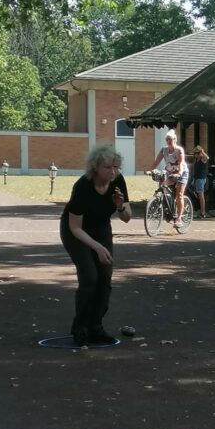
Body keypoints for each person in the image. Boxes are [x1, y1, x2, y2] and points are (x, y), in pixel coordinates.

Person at [59, 144, 131, 345]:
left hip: (101, 228)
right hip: (76, 231)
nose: (113, 171)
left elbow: (127, 217)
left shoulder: (118, 182)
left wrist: (119, 205)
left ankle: (96, 326)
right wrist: (97, 247)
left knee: (105, 278)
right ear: (96, 167)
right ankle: (80, 327)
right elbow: (75, 228)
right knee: (90, 277)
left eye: (115, 167)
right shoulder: (83, 186)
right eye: (108, 167)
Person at [150, 129, 188, 228]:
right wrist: (151, 170)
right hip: (170, 172)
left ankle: (179, 218)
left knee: (179, 194)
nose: (168, 141)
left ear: (174, 140)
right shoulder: (164, 150)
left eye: (170, 139)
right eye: (167, 139)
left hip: (181, 173)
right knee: (164, 189)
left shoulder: (179, 150)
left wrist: (179, 173)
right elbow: (156, 161)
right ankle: (169, 213)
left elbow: (180, 163)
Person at [191, 145, 210, 219]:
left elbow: (207, 158)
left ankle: (202, 213)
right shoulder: (196, 160)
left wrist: (202, 151)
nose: (194, 155)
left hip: (201, 179)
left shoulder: (203, 159)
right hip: (196, 179)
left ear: (199, 153)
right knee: (197, 195)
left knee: (201, 196)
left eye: (196, 153)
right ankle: (199, 210)